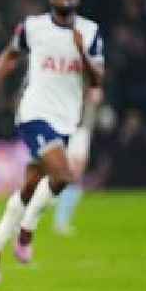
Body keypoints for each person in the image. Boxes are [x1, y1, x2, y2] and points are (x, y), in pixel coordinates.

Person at [0, 0, 104, 284]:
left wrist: (81, 52)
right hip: (34, 112)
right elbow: (10, 54)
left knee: (33, 183)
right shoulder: (33, 27)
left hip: (66, 117)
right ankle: (26, 231)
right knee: (62, 175)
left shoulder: (90, 32)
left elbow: (97, 79)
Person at [53, 86, 102, 236]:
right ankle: (59, 222)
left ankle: (61, 222)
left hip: (82, 130)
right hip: (71, 130)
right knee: (71, 177)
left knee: (74, 178)